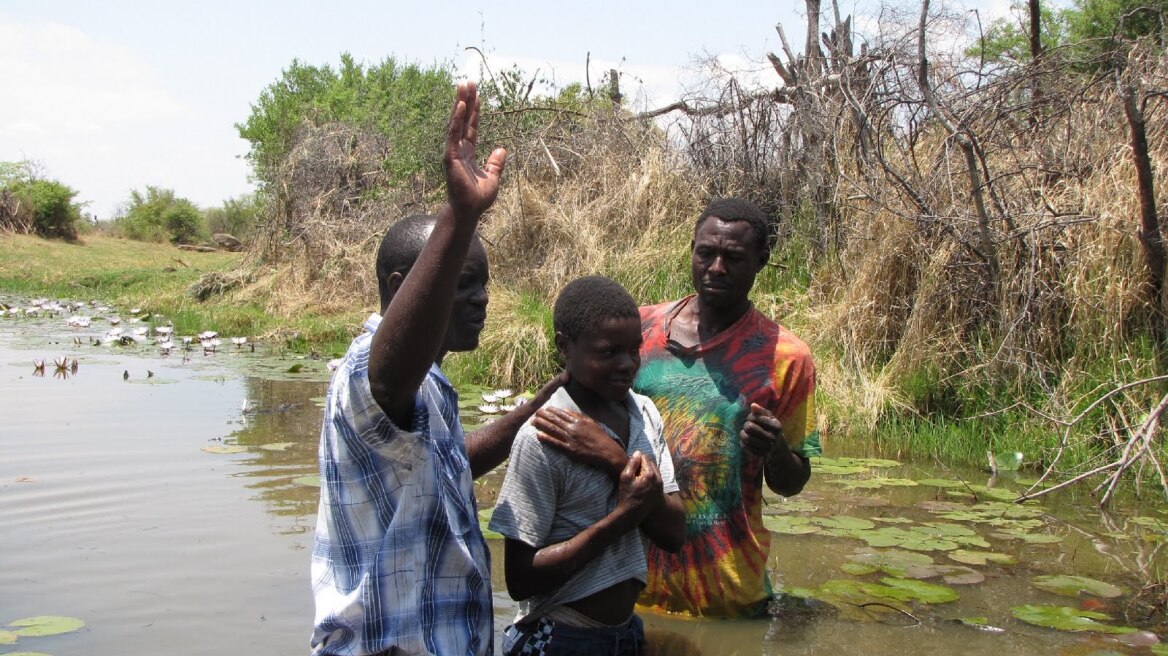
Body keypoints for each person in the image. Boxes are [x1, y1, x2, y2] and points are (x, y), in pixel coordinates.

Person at [310, 81, 566, 656]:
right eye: (462, 283)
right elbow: (384, 377)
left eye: (483, 285)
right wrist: (462, 214)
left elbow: (447, 464)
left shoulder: (428, 385)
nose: (481, 300)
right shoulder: (369, 375)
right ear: (404, 289)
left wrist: (534, 411)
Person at [533, 198, 820, 619]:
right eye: (706, 253)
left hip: (726, 591)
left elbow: (793, 483)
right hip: (625, 585)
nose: (717, 267)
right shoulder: (639, 332)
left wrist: (774, 450)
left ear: (761, 261)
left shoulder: (786, 357)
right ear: (691, 250)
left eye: (734, 257)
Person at [488, 275, 686, 656]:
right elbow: (520, 578)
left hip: (625, 634)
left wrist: (614, 461)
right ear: (565, 345)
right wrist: (621, 518)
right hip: (560, 636)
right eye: (608, 352)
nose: (627, 364)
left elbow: (674, 533)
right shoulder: (543, 437)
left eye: (634, 349)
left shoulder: (644, 414)